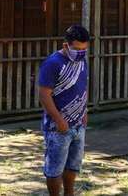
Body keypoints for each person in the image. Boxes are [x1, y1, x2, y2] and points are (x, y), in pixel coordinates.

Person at [37, 25, 89, 196]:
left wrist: (84, 111)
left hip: (78, 125)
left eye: (84, 49)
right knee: (54, 169)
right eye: (77, 49)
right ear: (66, 45)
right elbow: (44, 95)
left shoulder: (82, 60)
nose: (81, 52)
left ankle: (69, 193)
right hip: (57, 127)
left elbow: (82, 85)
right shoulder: (53, 63)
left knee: (73, 165)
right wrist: (59, 120)